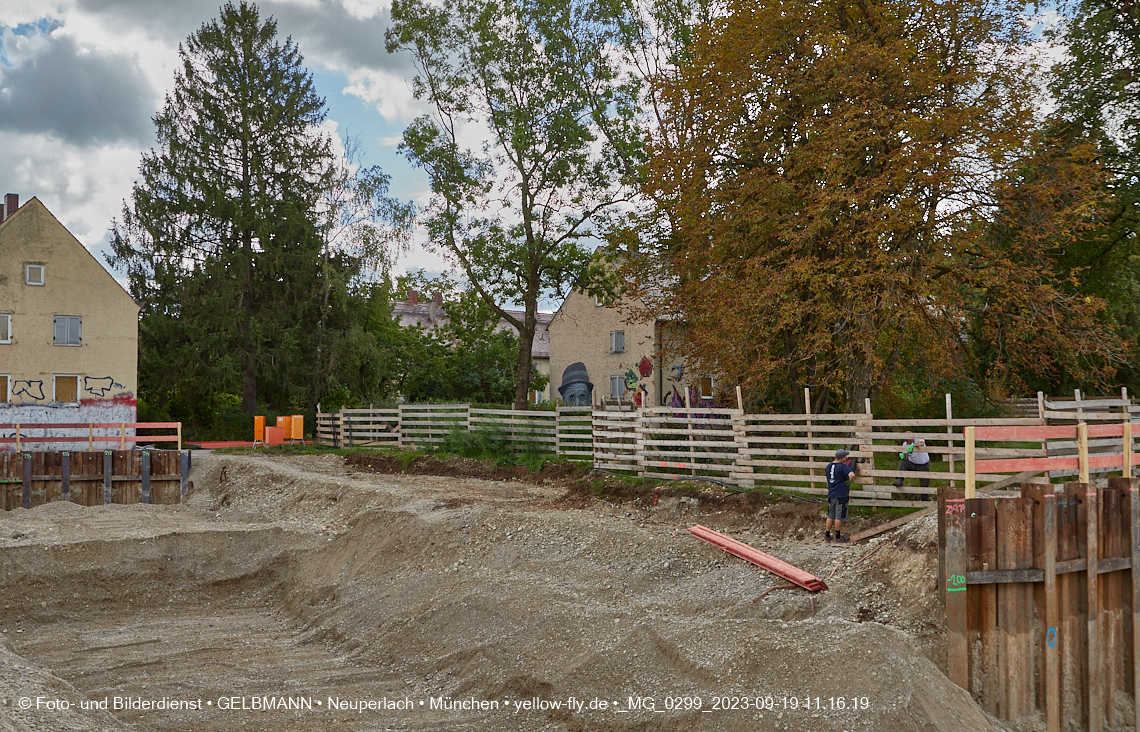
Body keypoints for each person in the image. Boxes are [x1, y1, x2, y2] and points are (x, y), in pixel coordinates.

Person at [825, 448, 857, 543]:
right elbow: (852, 475)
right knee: (839, 516)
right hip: (841, 494)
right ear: (843, 458)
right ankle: (838, 536)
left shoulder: (829, 466)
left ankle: (827, 535)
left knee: (830, 514)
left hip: (831, 493)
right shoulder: (843, 467)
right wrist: (848, 482)